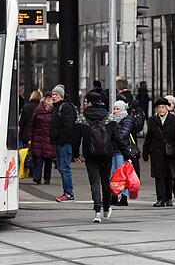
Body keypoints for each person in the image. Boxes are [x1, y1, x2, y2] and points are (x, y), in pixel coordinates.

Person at [78, 92, 132, 223]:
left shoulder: (82, 117)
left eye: (86, 101)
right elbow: (118, 138)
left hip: (90, 155)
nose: (85, 103)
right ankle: (107, 208)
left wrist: (75, 154)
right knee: (105, 181)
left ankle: (97, 210)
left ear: (90, 102)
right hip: (107, 154)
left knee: (94, 182)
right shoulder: (109, 117)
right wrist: (127, 155)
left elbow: (76, 137)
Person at [142, 98, 175, 207]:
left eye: (163, 107)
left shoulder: (174, 119)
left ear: (167, 108)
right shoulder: (152, 120)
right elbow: (149, 137)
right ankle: (160, 199)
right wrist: (145, 151)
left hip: (170, 152)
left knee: (169, 176)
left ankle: (168, 198)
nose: (161, 109)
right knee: (159, 176)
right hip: (156, 152)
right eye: (159, 107)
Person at [49, 85, 76, 202]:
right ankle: (67, 192)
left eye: (56, 95)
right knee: (62, 168)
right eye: (53, 94)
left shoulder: (65, 108)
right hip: (59, 143)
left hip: (63, 143)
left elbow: (68, 127)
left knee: (64, 168)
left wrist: (61, 138)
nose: (53, 96)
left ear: (61, 96)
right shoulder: (57, 108)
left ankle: (68, 193)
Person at [109, 101, 134, 206]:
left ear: (123, 109)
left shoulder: (127, 119)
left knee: (122, 175)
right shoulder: (110, 119)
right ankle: (114, 196)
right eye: (114, 109)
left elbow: (123, 134)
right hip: (112, 150)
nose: (115, 111)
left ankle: (124, 197)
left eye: (117, 109)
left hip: (121, 151)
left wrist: (113, 130)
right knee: (113, 175)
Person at [27, 93, 55, 185]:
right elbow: (32, 124)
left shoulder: (54, 111)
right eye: (48, 100)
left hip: (49, 138)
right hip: (38, 137)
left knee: (48, 160)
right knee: (38, 158)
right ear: (44, 101)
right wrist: (30, 137)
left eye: (51, 100)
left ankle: (47, 178)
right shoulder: (38, 110)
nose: (50, 102)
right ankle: (37, 177)